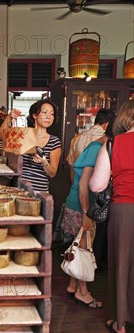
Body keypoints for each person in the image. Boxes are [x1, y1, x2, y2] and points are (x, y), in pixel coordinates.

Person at [89, 99, 134, 333]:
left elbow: (97, 184)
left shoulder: (113, 143)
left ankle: (120, 323)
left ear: (124, 118)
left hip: (124, 209)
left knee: (121, 264)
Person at [61, 130, 110, 308]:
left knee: (78, 246)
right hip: (82, 207)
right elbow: (83, 184)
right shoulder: (98, 148)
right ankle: (83, 291)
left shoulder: (96, 147)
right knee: (84, 249)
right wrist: (86, 213)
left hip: (81, 205)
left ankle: (73, 286)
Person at [0, 99, 61, 193]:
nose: (49, 117)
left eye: (52, 114)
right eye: (45, 112)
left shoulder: (54, 141)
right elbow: (1, 135)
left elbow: (52, 173)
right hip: (18, 189)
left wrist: (44, 162)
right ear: (35, 115)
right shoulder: (22, 135)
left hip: (39, 191)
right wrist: (9, 118)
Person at [66, 108, 117, 183]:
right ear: (108, 125)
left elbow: (72, 168)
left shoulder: (76, 138)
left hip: (78, 186)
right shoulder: (107, 140)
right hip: (99, 188)